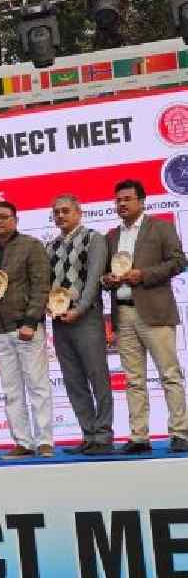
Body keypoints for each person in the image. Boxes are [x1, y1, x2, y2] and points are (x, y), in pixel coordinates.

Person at [102, 180, 188, 453]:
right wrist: (107, 280)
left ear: (141, 201)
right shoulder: (111, 236)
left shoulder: (160, 228)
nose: (122, 204)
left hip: (155, 310)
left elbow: (178, 261)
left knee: (169, 374)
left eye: (127, 199)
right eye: (118, 200)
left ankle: (180, 432)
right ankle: (139, 436)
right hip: (123, 312)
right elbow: (106, 274)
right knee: (133, 379)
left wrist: (145, 275)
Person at [0, 201, 53, 459]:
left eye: (3, 217)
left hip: (26, 326)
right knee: (11, 390)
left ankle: (44, 441)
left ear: (15, 219)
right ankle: (23, 441)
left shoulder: (32, 246)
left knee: (38, 385)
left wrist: (31, 321)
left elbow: (42, 286)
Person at [47, 195, 114, 455]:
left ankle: (104, 435)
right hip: (60, 320)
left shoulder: (93, 238)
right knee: (73, 381)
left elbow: (94, 280)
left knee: (98, 377)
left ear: (78, 212)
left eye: (65, 211)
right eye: (56, 212)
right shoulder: (50, 246)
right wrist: (48, 306)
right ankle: (88, 434)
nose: (61, 215)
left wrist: (80, 309)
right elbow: (49, 285)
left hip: (86, 317)